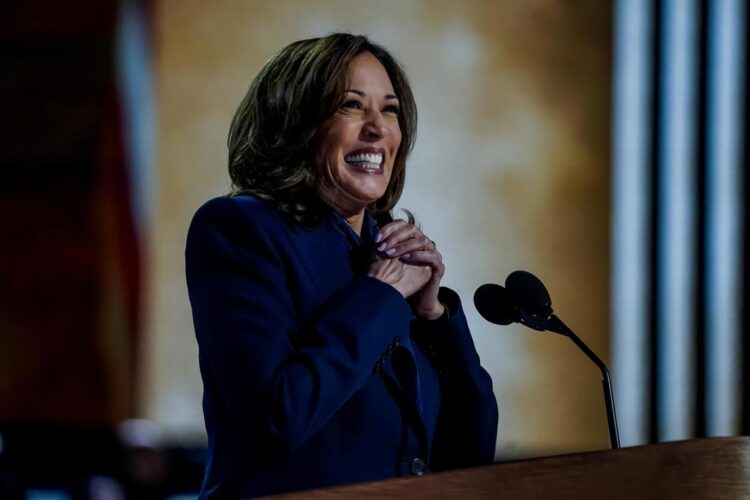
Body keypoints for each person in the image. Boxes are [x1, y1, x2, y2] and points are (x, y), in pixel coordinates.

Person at [185, 33, 498, 499]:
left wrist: (433, 318)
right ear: (294, 123)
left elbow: (469, 457)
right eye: (352, 106)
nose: (377, 128)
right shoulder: (239, 230)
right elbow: (277, 417)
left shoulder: (387, 254)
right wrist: (382, 295)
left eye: (389, 110)